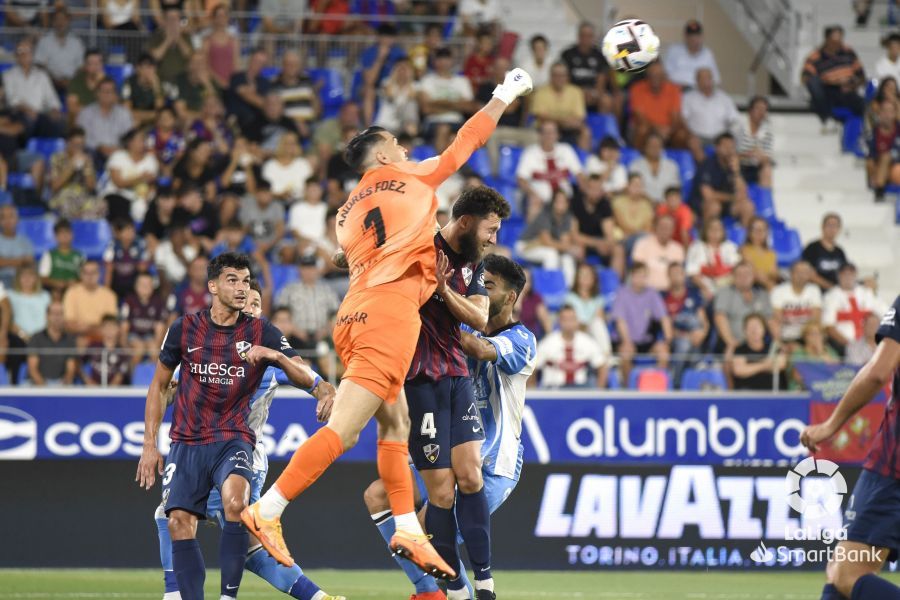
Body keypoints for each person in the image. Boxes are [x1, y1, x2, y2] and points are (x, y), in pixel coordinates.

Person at [240, 68, 532, 578]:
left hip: (353, 314)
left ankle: (406, 528)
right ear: (381, 156)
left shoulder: (345, 212)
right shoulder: (411, 177)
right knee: (344, 431)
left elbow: (345, 257)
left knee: (394, 425)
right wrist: (503, 94)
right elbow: (465, 144)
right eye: (396, 143)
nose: (403, 148)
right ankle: (268, 510)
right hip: (390, 316)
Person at [135, 253, 317, 600]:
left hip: (237, 440)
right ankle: (182, 593)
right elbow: (161, 387)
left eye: (247, 282)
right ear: (213, 287)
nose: (243, 290)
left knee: (237, 507)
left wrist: (322, 388)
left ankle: (223, 596)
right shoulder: (185, 329)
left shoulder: (263, 334)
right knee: (175, 520)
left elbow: (307, 374)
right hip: (189, 441)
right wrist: (149, 443)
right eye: (233, 280)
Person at [363, 254, 535, 600]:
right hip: (450, 439)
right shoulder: (466, 324)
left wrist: (438, 305)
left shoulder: (521, 339)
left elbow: (478, 349)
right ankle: (432, 591)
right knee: (378, 495)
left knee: (423, 533)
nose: (481, 292)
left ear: (511, 297)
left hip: (492, 463)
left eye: (489, 287)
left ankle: (459, 592)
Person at [394, 188, 510, 599]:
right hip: (418, 380)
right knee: (441, 492)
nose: (492, 238)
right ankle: (454, 587)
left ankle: (485, 581)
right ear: (466, 222)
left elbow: (479, 317)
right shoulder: (419, 247)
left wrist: (443, 289)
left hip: (457, 376)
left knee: (471, 475)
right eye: (490, 229)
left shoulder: (473, 264)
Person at [801, 293, 900, 600]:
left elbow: (877, 372)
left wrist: (831, 424)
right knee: (841, 573)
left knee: (846, 574)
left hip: (893, 466)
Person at [611, 261, 673, 382]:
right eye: (638, 275)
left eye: (644, 276)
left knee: (663, 351)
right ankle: (628, 388)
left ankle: (657, 385)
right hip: (627, 340)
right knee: (626, 352)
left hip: (647, 341)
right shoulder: (622, 293)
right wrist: (627, 341)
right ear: (632, 276)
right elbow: (620, 321)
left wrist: (667, 340)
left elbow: (664, 318)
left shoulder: (652, 293)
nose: (641, 279)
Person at [802, 25, 866, 129]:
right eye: (835, 38)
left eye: (840, 38)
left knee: (863, 103)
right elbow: (806, 77)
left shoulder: (848, 52)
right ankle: (827, 118)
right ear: (827, 39)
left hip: (848, 90)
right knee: (814, 83)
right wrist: (828, 81)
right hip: (828, 89)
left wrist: (852, 85)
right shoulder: (815, 56)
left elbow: (861, 75)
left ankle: (862, 131)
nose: (838, 42)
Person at [275, 255, 341, 354]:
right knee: (280, 323)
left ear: (316, 270)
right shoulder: (290, 289)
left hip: (322, 335)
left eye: (311, 268)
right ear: (299, 270)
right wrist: (295, 330)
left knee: (338, 323)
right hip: (295, 336)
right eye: (305, 268)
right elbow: (279, 313)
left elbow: (337, 314)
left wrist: (325, 330)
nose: (308, 271)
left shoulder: (327, 290)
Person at [514, 189, 579, 285]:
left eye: (564, 202)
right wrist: (570, 248)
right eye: (558, 201)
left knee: (567, 259)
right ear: (553, 203)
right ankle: (550, 287)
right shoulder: (545, 214)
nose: (561, 205)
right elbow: (546, 241)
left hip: (548, 247)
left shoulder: (567, 218)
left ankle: (566, 290)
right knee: (551, 254)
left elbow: (565, 241)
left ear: (567, 204)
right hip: (527, 245)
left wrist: (569, 248)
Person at [2, 38, 64, 139]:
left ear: (32, 55)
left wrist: (54, 109)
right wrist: (27, 110)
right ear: (16, 56)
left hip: (40, 114)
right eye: (20, 51)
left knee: (58, 121)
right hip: (19, 113)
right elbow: (12, 100)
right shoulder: (8, 75)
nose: (24, 54)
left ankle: (50, 152)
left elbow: (51, 98)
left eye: (27, 51)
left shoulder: (42, 75)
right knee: (27, 120)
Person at [536, 304, 609, 388]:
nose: (568, 323)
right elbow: (533, 367)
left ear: (577, 321)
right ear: (559, 321)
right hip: (553, 389)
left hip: (581, 389)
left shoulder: (587, 342)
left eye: (572, 319)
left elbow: (602, 365)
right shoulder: (548, 342)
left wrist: (598, 393)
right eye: (565, 319)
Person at [823, 262, 887, 354]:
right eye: (844, 274)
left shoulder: (866, 293)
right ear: (838, 276)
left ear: (856, 275)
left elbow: (886, 315)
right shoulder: (831, 296)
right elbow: (829, 327)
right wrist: (851, 346)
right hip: (844, 346)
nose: (848, 277)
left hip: (871, 345)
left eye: (851, 274)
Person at [691, 132, 754, 226]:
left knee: (747, 206)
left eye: (732, 146)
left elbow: (743, 194)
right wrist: (732, 198)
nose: (729, 150)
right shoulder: (707, 164)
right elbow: (708, 195)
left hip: (728, 205)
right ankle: (705, 236)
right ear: (717, 148)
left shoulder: (735, 165)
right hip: (704, 205)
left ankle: (744, 238)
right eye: (725, 146)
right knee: (714, 206)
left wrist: (736, 172)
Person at [712, 261, 775, 354]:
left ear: (753, 276)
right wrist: (731, 342)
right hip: (734, 344)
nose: (744, 277)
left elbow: (770, 320)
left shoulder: (763, 294)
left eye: (747, 274)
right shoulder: (725, 293)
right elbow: (720, 317)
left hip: (760, 346)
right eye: (739, 274)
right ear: (733, 277)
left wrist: (777, 342)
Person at [628, 61, 689, 152]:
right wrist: (657, 129)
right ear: (647, 76)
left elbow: (675, 117)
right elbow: (640, 117)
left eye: (659, 76)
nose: (655, 79)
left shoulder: (673, 89)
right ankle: (638, 159)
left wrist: (669, 130)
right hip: (647, 128)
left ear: (664, 77)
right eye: (652, 75)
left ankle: (675, 161)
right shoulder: (637, 88)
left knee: (681, 134)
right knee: (642, 129)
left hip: (667, 130)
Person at [664, 261, 709, 386]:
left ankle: (678, 380)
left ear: (684, 275)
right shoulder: (664, 297)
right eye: (673, 273)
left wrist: (702, 333)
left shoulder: (694, 294)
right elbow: (667, 327)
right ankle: (695, 366)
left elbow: (704, 322)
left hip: (695, 338)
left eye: (679, 273)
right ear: (668, 276)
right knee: (684, 339)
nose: (677, 276)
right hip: (675, 339)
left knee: (693, 321)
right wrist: (685, 335)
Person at [516, 120, 583, 204]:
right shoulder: (530, 152)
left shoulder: (566, 150)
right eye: (545, 132)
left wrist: (586, 190)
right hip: (540, 199)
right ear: (540, 135)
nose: (548, 135)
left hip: (565, 199)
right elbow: (521, 179)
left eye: (552, 132)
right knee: (533, 203)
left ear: (558, 135)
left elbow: (579, 174)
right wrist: (533, 195)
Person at [681, 68, 739, 162]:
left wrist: (728, 136)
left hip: (720, 137)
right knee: (693, 142)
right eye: (703, 78)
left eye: (709, 78)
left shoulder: (724, 98)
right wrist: (690, 134)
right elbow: (683, 119)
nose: (706, 82)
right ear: (697, 81)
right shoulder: (688, 98)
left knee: (729, 144)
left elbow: (734, 120)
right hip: (697, 137)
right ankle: (705, 169)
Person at [102, 128, 159, 223]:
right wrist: (140, 178)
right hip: (118, 194)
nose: (143, 142)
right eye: (140, 140)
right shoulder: (118, 156)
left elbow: (153, 184)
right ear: (130, 142)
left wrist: (148, 195)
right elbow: (118, 183)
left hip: (142, 196)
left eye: (144, 140)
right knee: (117, 203)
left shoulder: (151, 160)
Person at [571, 174, 624, 275]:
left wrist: (606, 243)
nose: (596, 193)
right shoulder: (575, 203)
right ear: (586, 189)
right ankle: (581, 280)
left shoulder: (605, 204)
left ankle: (615, 283)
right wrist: (596, 243)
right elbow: (574, 235)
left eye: (599, 189)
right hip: (584, 241)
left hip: (600, 241)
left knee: (618, 249)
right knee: (578, 248)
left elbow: (609, 233)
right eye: (593, 189)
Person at [75, 78, 135, 166]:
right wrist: (99, 147)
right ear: (97, 94)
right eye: (104, 91)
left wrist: (117, 148)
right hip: (94, 153)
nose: (107, 94)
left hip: (118, 153)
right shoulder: (85, 113)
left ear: (116, 95)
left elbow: (130, 137)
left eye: (110, 91)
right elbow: (80, 138)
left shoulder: (124, 114)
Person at [418, 47, 475, 133]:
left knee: (453, 136)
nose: (443, 62)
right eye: (440, 59)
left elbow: (469, 107)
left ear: (452, 61)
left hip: (457, 122)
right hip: (433, 122)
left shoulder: (462, 81)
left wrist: (437, 103)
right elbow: (426, 108)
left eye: (446, 59)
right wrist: (455, 104)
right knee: (444, 129)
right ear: (435, 62)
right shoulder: (427, 80)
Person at [560, 21, 613, 114]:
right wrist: (579, 93)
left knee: (606, 101)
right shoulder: (567, 54)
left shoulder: (600, 55)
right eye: (583, 35)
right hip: (572, 92)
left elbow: (602, 79)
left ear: (593, 37)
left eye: (589, 36)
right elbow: (563, 78)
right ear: (578, 36)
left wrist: (594, 93)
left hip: (594, 93)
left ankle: (601, 127)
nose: (586, 38)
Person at [529, 62, 587, 144]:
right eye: (556, 75)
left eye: (562, 75)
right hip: (546, 128)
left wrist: (564, 122)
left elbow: (579, 117)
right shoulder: (540, 92)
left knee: (585, 131)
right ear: (551, 76)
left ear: (567, 77)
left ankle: (582, 156)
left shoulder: (576, 91)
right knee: (549, 127)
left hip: (569, 128)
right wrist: (562, 121)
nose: (559, 78)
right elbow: (541, 117)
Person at [62, 260, 119, 342]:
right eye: (86, 273)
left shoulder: (109, 295)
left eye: (93, 272)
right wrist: (94, 327)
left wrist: (87, 328)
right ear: (81, 275)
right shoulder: (71, 293)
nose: (90, 276)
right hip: (78, 337)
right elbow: (69, 324)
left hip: (102, 337)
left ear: (99, 274)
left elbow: (110, 326)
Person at [771, 260, 823, 348]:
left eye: (805, 272)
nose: (801, 275)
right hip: (787, 336)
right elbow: (777, 318)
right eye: (798, 272)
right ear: (791, 273)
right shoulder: (778, 291)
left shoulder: (814, 290)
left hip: (807, 336)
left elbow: (816, 318)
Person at [732, 313, 787, 391]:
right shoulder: (740, 349)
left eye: (757, 326)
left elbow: (781, 364)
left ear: (764, 329)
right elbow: (739, 370)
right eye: (750, 327)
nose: (754, 330)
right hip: (748, 394)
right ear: (744, 330)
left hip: (773, 394)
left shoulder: (773, 347)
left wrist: (750, 367)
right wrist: (764, 365)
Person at [34, 6, 85, 91]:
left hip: (72, 84)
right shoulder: (44, 41)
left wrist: (71, 81)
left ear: (68, 21)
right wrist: (55, 80)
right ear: (52, 22)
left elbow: (81, 67)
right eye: (57, 19)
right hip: (50, 84)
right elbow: (39, 65)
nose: (60, 23)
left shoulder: (77, 42)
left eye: (63, 19)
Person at [26, 300, 76, 386]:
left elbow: (70, 369)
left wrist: (63, 386)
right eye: (54, 313)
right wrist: (44, 387)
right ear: (47, 316)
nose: (57, 317)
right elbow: (32, 369)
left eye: (60, 314)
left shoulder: (70, 340)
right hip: (37, 384)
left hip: (61, 384)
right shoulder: (36, 338)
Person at [631, 213, 686, 291]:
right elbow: (637, 271)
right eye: (662, 227)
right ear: (655, 227)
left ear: (673, 230)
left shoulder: (678, 249)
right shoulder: (642, 244)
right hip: (646, 292)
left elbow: (679, 276)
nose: (665, 230)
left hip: (669, 294)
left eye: (668, 227)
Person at [564, 262, 612, 347]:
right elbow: (570, 320)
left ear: (594, 279)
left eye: (588, 275)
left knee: (597, 323)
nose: (585, 278)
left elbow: (600, 320)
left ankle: (606, 356)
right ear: (577, 278)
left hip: (593, 334)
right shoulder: (570, 298)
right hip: (575, 333)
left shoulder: (598, 299)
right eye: (582, 275)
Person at [662, 19, 721, 89]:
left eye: (697, 36)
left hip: (700, 92)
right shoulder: (674, 50)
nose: (694, 39)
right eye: (691, 36)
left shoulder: (707, 54)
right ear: (685, 36)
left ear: (702, 37)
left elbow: (716, 79)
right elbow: (665, 74)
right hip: (678, 90)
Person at [732, 95, 774, 188]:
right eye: (758, 108)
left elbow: (768, 156)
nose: (761, 112)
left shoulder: (767, 131)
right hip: (739, 163)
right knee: (734, 162)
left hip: (755, 166)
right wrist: (747, 154)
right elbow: (730, 152)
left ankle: (764, 200)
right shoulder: (738, 127)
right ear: (750, 111)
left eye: (764, 109)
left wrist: (761, 156)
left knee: (767, 169)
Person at [271, 51, 318, 131]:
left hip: (310, 123)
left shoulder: (306, 81)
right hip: (287, 125)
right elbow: (276, 111)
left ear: (299, 66)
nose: (292, 67)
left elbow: (315, 103)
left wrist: (314, 117)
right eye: (288, 64)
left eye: (295, 64)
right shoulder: (275, 84)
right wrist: (295, 122)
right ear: (283, 66)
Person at [628, 132, 681, 203]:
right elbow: (633, 190)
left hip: (667, 206)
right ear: (645, 147)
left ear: (662, 148)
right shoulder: (635, 166)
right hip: (642, 205)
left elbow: (675, 190)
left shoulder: (672, 166)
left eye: (657, 146)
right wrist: (651, 202)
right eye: (651, 146)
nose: (655, 149)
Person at [262, 133, 314, 203]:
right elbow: (264, 190)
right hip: (274, 203)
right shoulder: (270, 166)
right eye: (287, 143)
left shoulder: (303, 164)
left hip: (300, 202)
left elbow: (310, 186)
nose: (290, 146)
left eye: (293, 143)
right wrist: (280, 195)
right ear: (281, 145)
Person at [80, 314, 130, 386]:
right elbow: (79, 364)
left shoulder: (121, 352)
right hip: (93, 391)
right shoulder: (93, 346)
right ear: (101, 329)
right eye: (106, 327)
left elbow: (119, 376)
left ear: (118, 329)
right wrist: (88, 382)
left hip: (113, 394)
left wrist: (106, 393)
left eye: (112, 327)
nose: (109, 330)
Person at [802, 212, 848, 290]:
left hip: (837, 292)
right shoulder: (812, 248)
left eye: (835, 226)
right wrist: (831, 288)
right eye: (829, 225)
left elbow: (845, 273)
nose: (832, 229)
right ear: (822, 227)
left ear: (839, 229)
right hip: (816, 291)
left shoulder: (840, 251)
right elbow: (809, 274)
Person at [38, 218, 84, 295]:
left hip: (75, 292)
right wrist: (56, 283)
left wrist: (75, 283)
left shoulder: (80, 255)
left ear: (72, 235)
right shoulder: (49, 255)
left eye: (67, 232)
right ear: (55, 237)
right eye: (61, 233)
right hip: (54, 292)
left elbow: (84, 277)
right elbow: (42, 279)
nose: (65, 236)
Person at [148, 8, 194, 85]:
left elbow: (190, 56)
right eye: (170, 19)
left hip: (183, 81)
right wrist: (167, 41)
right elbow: (153, 57)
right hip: (162, 80)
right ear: (165, 21)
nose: (173, 22)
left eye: (176, 19)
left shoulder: (186, 36)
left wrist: (179, 39)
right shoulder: (157, 36)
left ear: (180, 21)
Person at [866, 98, 900, 200]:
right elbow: (870, 155)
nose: (887, 115)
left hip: (896, 168)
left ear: (895, 114)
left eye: (890, 111)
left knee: (887, 156)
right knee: (871, 162)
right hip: (878, 169)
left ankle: (879, 190)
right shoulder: (872, 133)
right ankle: (879, 187)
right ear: (879, 113)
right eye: (884, 111)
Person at [201, 4, 240, 89]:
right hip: (213, 83)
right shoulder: (207, 40)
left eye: (224, 15)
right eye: (219, 16)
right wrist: (219, 81)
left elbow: (236, 64)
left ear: (228, 18)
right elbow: (205, 65)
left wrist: (233, 81)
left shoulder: (234, 40)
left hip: (231, 83)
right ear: (214, 18)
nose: (221, 19)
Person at [123, 54, 167, 126]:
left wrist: (156, 87)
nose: (149, 71)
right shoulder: (129, 83)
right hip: (134, 119)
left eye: (152, 67)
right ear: (138, 68)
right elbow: (126, 111)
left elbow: (160, 111)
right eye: (146, 67)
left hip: (153, 121)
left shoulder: (159, 83)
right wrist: (152, 115)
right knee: (135, 122)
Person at [0, 205, 34, 290]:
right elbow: (24, 262)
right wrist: (20, 261)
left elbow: (29, 263)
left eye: (11, 216)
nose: (8, 220)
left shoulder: (26, 242)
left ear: (17, 220)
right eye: (3, 217)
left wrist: (4, 261)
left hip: (22, 279)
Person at [740, 216, 779, 290]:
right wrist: (768, 284)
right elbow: (752, 272)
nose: (759, 232)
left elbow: (774, 273)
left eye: (762, 229)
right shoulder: (744, 250)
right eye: (756, 229)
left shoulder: (771, 253)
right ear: (749, 232)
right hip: (753, 287)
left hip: (769, 285)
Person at [66, 49, 106, 118]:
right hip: (82, 120)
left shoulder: (107, 82)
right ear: (85, 66)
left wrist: (100, 84)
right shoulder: (76, 81)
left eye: (98, 63)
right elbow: (72, 107)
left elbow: (111, 106)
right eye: (92, 63)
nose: (96, 67)